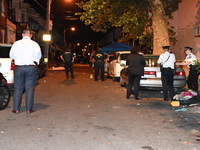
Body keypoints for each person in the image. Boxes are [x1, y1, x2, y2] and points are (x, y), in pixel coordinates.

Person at [9, 29, 42, 114]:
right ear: (31, 35)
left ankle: (16, 109)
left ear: (23, 35)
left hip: (19, 68)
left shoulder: (16, 44)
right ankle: (28, 109)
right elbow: (39, 56)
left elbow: (11, 55)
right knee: (29, 88)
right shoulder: (35, 44)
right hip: (31, 68)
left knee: (18, 88)